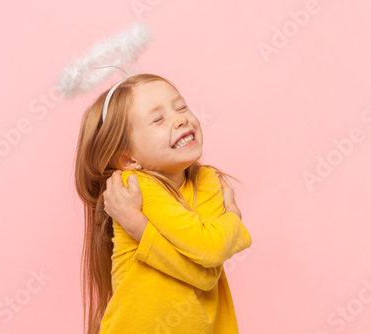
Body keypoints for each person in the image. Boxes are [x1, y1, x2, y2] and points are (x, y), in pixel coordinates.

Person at [74, 73, 252, 333]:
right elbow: (209, 261)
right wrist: (233, 219)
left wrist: (139, 227)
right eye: (158, 119)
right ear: (128, 159)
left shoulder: (207, 180)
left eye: (181, 106)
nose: (181, 118)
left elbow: (217, 251)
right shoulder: (134, 187)